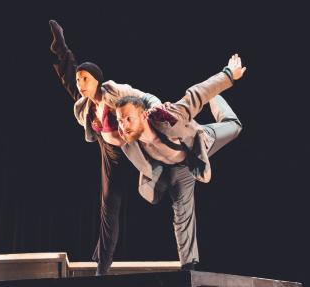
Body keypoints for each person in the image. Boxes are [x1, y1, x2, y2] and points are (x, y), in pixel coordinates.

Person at [48, 20, 161, 275]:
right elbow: (69, 77)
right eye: (79, 80)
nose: (80, 83)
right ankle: (103, 266)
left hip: (134, 150)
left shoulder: (114, 92)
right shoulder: (86, 104)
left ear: (97, 80)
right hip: (111, 157)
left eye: (84, 79)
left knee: (156, 190)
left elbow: (143, 97)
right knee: (109, 208)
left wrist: (157, 107)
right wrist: (62, 50)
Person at [115, 54, 246, 270]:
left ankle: (216, 98)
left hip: (198, 146)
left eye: (128, 118)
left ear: (143, 115)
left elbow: (196, 94)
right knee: (181, 212)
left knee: (235, 126)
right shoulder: (126, 140)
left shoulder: (166, 117)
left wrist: (229, 74)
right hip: (177, 169)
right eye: (120, 120)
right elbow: (99, 118)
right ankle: (189, 266)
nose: (124, 125)